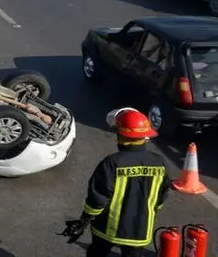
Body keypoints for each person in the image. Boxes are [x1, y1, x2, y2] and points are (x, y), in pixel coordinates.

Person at [61, 108, 169, 257]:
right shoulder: (160, 162)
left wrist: (84, 220)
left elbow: (97, 200)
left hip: (107, 229)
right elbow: (161, 198)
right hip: (140, 229)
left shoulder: (112, 163)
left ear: (121, 135)